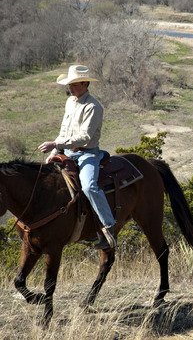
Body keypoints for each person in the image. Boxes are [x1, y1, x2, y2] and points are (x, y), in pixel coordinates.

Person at [38, 64, 117, 250]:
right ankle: (81, 228)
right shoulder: (70, 102)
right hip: (67, 152)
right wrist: (54, 153)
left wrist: (56, 145)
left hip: (87, 153)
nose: (70, 88)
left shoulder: (93, 106)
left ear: (85, 83)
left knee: (89, 186)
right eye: (69, 84)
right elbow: (64, 131)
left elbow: (85, 137)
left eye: (74, 84)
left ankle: (108, 226)